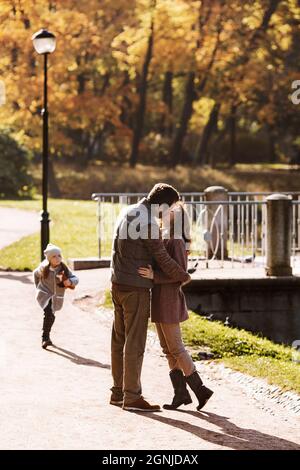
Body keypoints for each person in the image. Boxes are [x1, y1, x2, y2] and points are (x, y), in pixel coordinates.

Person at [110, 183, 191, 412]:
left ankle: (118, 392)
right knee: (135, 344)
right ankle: (132, 396)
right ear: (163, 204)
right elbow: (163, 258)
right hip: (135, 289)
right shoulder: (148, 224)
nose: (171, 211)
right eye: (171, 207)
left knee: (119, 340)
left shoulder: (129, 211)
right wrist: (184, 276)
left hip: (117, 283)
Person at [138, 202, 213, 411]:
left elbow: (180, 275)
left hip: (170, 299)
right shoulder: (163, 237)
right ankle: (180, 394)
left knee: (177, 349)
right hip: (159, 299)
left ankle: (201, 390)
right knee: (167, 350)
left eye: (172, 209)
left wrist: (155, 276)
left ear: (178, 217)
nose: (166, 210)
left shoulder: (177, 241)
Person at [33, 243, 79, 349]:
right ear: (49, 259)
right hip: (44, 296)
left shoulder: (63, 268)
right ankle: (45, 338)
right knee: (48, 313)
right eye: (54, 256)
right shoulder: (43, 268)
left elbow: (75, 279)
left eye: (59, 255)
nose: (57, 258)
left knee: (52, 316)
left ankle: (47, 336)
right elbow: (35, 274)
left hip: (56, 297)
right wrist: (38, 288)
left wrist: (70, 282)